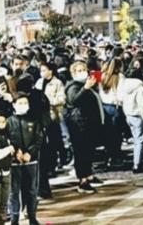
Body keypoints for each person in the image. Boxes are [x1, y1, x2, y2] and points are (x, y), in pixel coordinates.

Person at [63, 62, 103, 194]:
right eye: (79, 70)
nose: (82, 72)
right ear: (73, 73)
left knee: (89, 150)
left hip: (88, 123)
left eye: (84, 69)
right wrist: (85, 88)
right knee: (81, 152)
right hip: (78, 124)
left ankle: (89, 174)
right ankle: (83, 180)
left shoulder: (86, 84)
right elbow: (74, 100)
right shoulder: (73, 87)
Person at [7, 93, 42, 225]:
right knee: (14, 192)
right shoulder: (9, 121)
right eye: (20, 103)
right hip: (14, 162)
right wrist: (16, 152)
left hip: (31, 161)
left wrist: (30, 153)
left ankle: (32, 217)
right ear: (14, 105)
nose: (23, 105)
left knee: (32, 190)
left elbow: (38, 138)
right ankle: (14, 219)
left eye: (25, 103)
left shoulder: (34, 120)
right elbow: (6, 138)